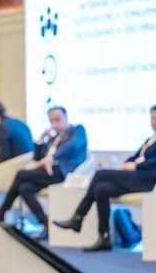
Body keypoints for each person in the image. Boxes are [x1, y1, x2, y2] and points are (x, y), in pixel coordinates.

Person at [54, 105, 156, 252]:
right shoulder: (150, 139)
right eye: (152, 118)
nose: (154, 122)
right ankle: (104, 236)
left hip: (147, 179)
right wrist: (128, 163)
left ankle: (78, 216)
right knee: (101, 189)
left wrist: (136, 166)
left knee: (100, 174)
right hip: (135, 177)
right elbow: (134, 156)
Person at [0, 106, 88, 240]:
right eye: (51, 121)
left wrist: (52, 158)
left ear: (66, 118)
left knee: (21, 174)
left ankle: (2, 211)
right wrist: (41, 139)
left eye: (57, 119)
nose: (54, 124)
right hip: (46, 172)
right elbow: (37, 158)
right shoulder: (53, 138)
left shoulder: (76, 130)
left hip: (62, 171)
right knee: (24, 187)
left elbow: (72, 146)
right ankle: (45, 223)